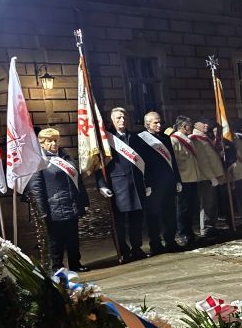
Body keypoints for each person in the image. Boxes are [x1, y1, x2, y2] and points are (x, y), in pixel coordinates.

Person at [26, 128, 89, 271]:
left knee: (73, 237)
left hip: (71, 203)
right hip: (53, 207)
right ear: (42, 143)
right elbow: (36, 188)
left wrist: (84, 201)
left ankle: (75, 264)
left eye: (55, 140)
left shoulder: (65, 156)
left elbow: (78, 181)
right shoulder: (39, 161)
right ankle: (57, 267)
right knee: (56, 240)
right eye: (49, 141)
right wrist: (41, 211)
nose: (53, 144)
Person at [97, 107, 147, 263]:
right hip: (117, 185)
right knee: (119, 222)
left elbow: (144, 162)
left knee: (136, 219)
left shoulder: (134, 137)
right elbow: (98, 164)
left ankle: (136, 248)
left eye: (124, 117)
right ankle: (123, 250)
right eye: (118, 118)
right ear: (112, 120)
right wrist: (101, 185)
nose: (122, 120)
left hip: (136, 184)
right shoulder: (106, 139)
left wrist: (147, 182)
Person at [138, 111, 182, 255]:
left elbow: (173, 161)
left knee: (170, 214)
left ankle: (170, 240)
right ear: (147, 124)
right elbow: (140, 164)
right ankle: (155, 243)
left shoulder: (166, 138)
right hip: (153, 185)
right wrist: (146, 184)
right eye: (155, 122)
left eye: (160, 122)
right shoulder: (140, 139)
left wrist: (177, 179)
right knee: (153, 215)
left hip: (168, 182)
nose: (159, 125)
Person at [169, 115, 201, 247]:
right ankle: (182, 233)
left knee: (190, 207)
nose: (191, 127)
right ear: (183, 126)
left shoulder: (187, 139)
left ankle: (189, 231)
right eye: (190, 125)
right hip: (183, 179)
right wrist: (176, 180)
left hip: (192, 177)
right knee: (182, 208)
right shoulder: (174, 140)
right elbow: (174, 162)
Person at [191, 119, 227, 236]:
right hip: (206, 177)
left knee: (212, 202)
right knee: (207, 203)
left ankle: (212, 226)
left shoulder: (204, 138)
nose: (206, 125)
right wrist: (211, 177)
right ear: (196, 125)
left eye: (207, 123)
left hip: (213, 175)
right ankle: (206, 228)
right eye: (203, 123)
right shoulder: (196, 139)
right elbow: (203, 161)